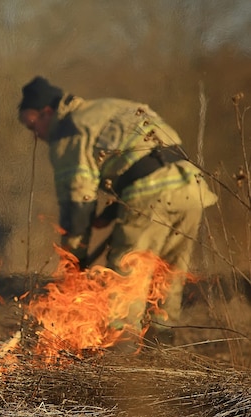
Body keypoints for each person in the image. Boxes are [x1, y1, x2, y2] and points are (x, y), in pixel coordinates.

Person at [17, 76, 218, 343]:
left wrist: (73, 266)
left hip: (151, 193)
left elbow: (77, 204)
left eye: (32, 124)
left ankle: (122, 364)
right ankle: (163, 355)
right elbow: (144, 156)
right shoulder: (109, 107)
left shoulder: (68, 131)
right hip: (190, 186)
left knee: (125, 281)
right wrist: (111, 213)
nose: (35, 134)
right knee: (167, 278)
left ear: (47, 112)